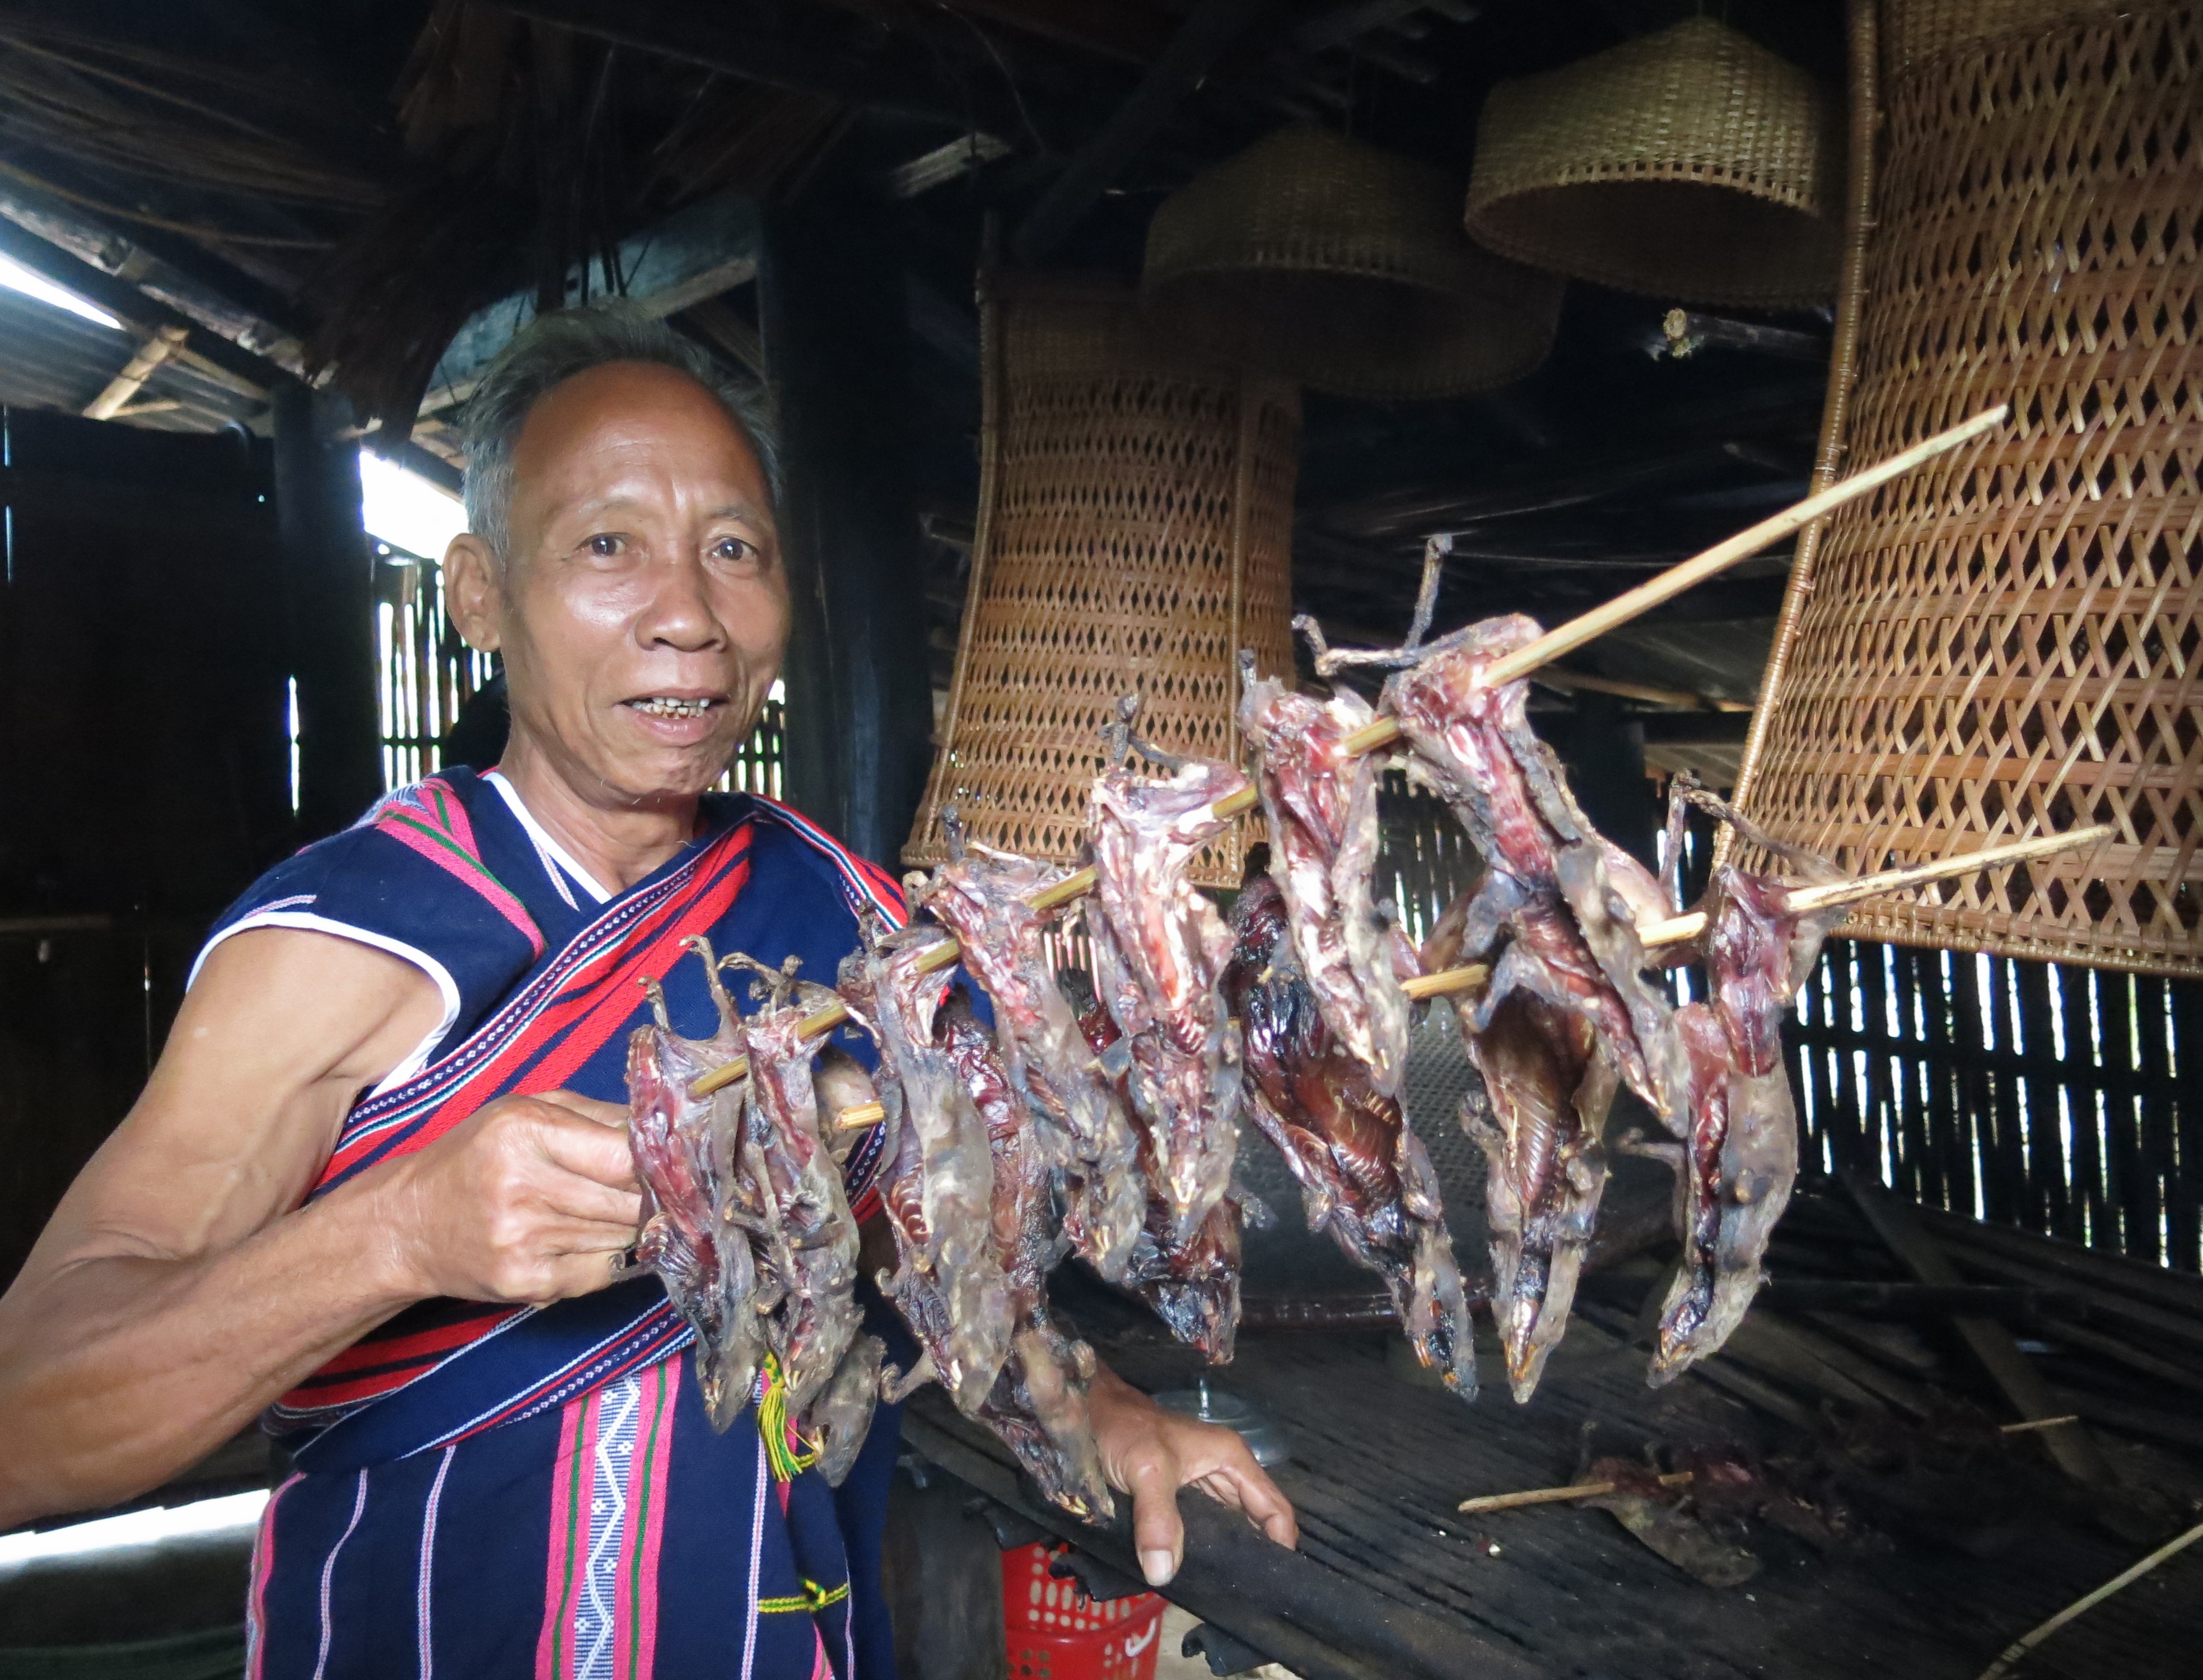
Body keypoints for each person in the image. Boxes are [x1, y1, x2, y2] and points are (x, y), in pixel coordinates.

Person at [0, 306, 1296, 1677]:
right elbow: (26, 1424)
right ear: (479, 591)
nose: (687, 616)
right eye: (606, 545)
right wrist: (398, 1235)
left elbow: (910, 1243)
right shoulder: (351, 944)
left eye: (733, 550)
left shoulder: (838, 907)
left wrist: (1092, 1408)